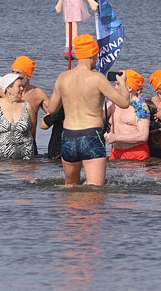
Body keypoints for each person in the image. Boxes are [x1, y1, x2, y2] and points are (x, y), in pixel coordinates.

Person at [44, 34, 130, 186]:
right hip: (91, 135)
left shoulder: (62, 78)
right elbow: (124, 103)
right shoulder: (97, 78)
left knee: (70, 187)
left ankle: (70, 210)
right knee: (95, 190)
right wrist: (122, 83)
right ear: (93, 55)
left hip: (69, 136)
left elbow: (51, 108)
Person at [0, 55, 51, 155]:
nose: (14, 75)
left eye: (18, 73)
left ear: (28, 76)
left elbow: (53, 112)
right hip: (1, 148)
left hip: (28, 146)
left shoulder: (38, 94)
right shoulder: (3, 91)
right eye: (13, 72)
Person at [0, 73, 39, 159]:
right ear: (8, 89)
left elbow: (32, 131)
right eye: (19, 86)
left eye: (22, 86)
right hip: (0, 161)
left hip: (26, 160)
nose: (22, 88)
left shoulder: (27, 106)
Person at [104, 70, 151, 161]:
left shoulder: (141, 107)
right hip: (115, 152)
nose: (115, 88)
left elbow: (143, 136)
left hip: (136, 154)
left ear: (129, 88)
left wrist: (116, 137)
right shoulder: (112, 104)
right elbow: (97, 118)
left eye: (118, 84)